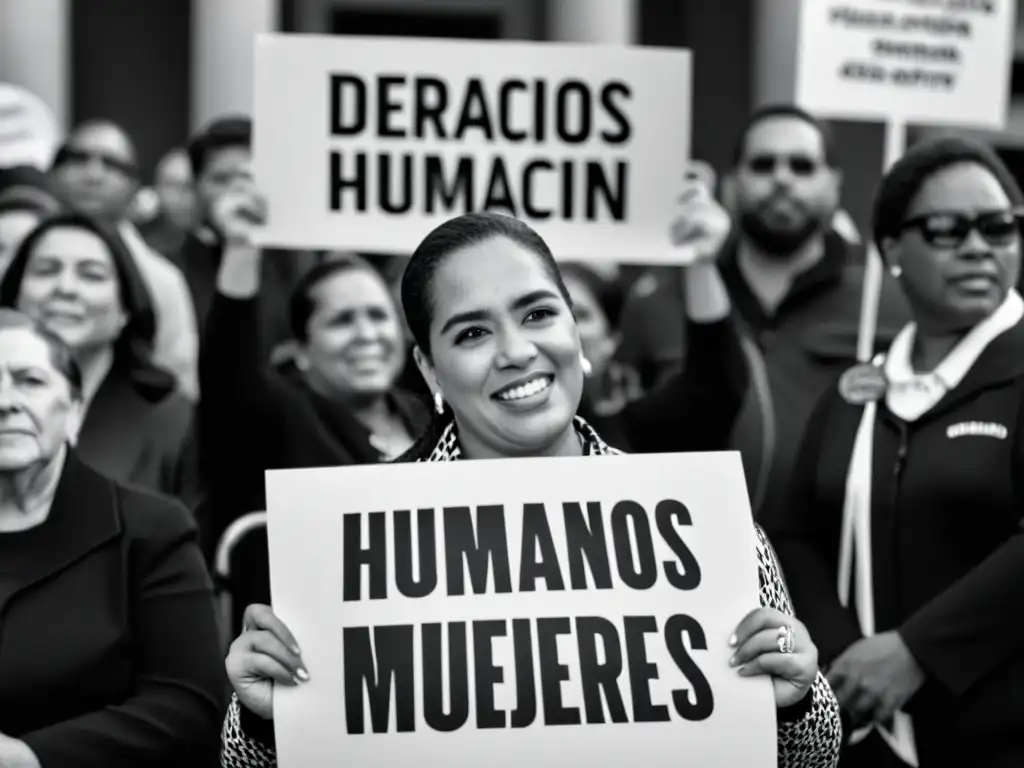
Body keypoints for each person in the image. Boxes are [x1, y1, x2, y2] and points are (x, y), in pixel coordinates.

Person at [218, 205, 843, 767]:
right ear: (429, 369)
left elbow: (811, 755)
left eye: (538, 313)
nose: (516, 351)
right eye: (472, 333)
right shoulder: (351, 541)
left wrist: (793, 698)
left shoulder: (698, 520)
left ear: (576, 328)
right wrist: (261, 718)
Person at [762, 136, 1024, 768]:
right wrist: (845, 654)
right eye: (944, 229)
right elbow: (792, 532)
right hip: (862, 733)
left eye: (999, 228)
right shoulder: (857, 390)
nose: (977, 247)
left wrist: (916, 652)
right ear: (890, 251)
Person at [616, 104, 909, 516]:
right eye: (763, 164)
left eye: (803, 166)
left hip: (834, 561)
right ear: (732, 183)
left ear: (835, 184)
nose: (782, 179)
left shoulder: (889, 303)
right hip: (691, 552)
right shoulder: (658, 300)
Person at [0, 309, 224, 767]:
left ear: (76, 412)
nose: (6, 401)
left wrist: (29, 758)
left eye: (30, 381)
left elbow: (188, 708)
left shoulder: (150, 528)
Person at [0, 213, 201, 512]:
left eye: (91, 275)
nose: (65, 288)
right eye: (46, 270)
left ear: (125, 309)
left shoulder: (169, 417)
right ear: (15, 297)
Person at [50, 120, 199, 398]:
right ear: (53, 173)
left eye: (111, 164)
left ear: (134, 185)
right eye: (79, 159)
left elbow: (179, 384)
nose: (93, 174)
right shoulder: (14, 250)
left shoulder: (162, 280)